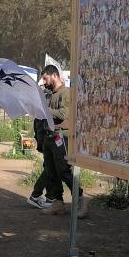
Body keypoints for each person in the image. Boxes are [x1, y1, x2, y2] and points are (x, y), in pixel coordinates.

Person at [35, 65, 89, 218]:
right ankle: (57, 203)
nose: (44, 82)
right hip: (48, 138)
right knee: (51, 173)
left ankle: (80, 201)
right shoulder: (50, 94)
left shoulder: (66, 93)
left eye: (45, 78)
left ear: (54, 75)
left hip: (61, 138)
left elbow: (63, 113)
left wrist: (45, 109)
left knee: (64, 171)